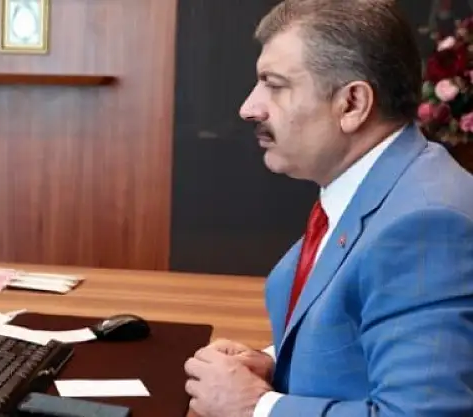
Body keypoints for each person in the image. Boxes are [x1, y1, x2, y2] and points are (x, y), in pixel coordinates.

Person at [183, 1, 473, 416]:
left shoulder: (425, 224)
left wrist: (254, 407)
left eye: (274, 85)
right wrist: (274, 363)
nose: (248, 108)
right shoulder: (381, 186)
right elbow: (360, 339)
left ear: (352, 103)